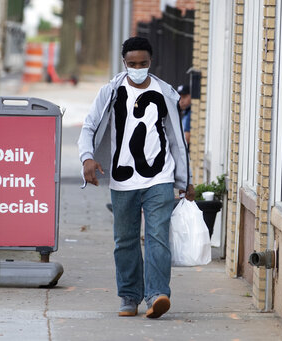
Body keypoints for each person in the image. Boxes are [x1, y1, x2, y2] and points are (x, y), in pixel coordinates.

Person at [78, 37, 195, 319]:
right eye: (132, 64)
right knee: (126, 240)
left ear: (150, 62)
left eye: (143, 63)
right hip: (122, 179)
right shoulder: (111, 91)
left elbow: (177, 140)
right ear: (124, 63)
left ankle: (157, 295)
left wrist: (184, 179)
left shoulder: (165, 92)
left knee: (158, 237)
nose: (138, 68)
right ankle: (129, 296)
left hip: (160, 177)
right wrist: (87, 157)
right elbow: (89, 126)